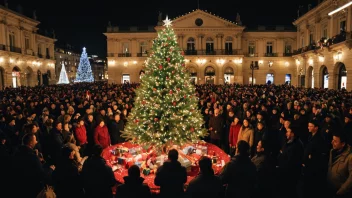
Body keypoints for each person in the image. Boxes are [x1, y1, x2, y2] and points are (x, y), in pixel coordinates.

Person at [327, 133, 352, 198]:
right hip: (330, 189)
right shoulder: (332, 151)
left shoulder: (350, 157)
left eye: (335, 141)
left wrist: (341, 191)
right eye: (332, 140)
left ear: (343, 144)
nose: (332, 142)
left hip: (341, 193)